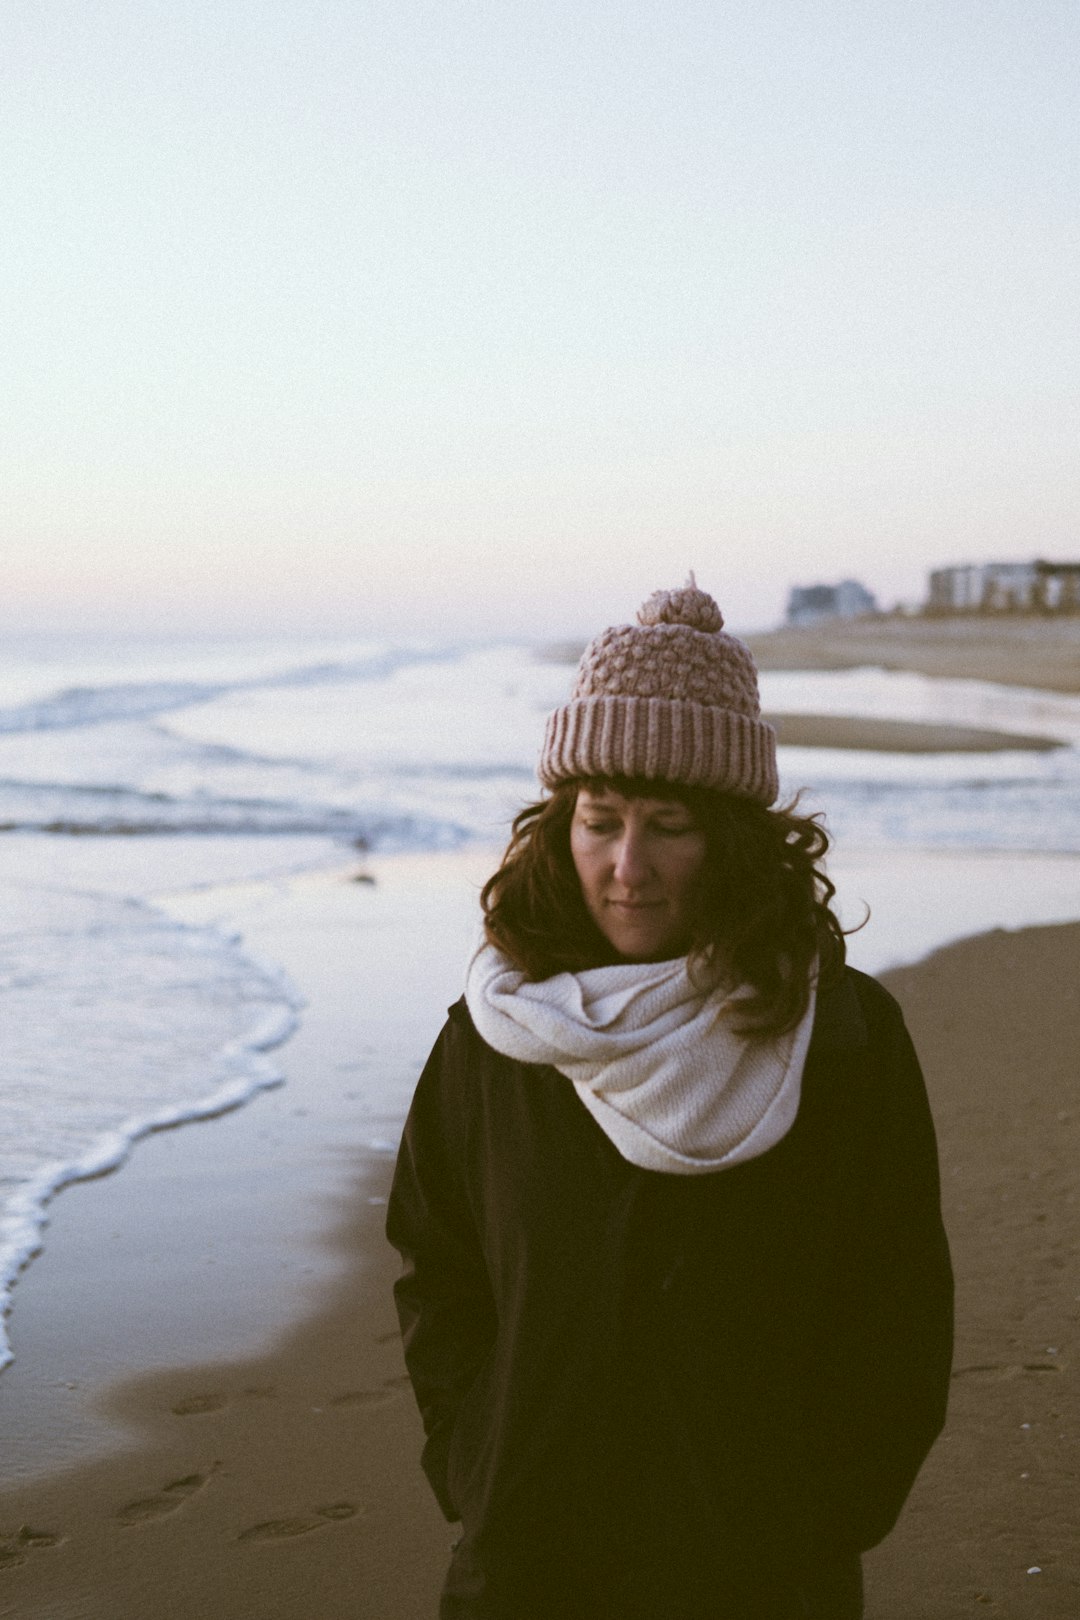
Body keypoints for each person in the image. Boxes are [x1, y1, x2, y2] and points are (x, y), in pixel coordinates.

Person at [386, 579, 953, 1620]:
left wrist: (827, 1512)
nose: (626, 866)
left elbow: (897, 1305)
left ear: (732, 838)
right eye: (599, 822)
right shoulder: (493, 1037)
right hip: (528, 1563)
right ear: (562, 826)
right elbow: (440, 1269)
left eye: (670, 825)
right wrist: (474, 1469)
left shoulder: (844, 1039)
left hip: (763, 1574)